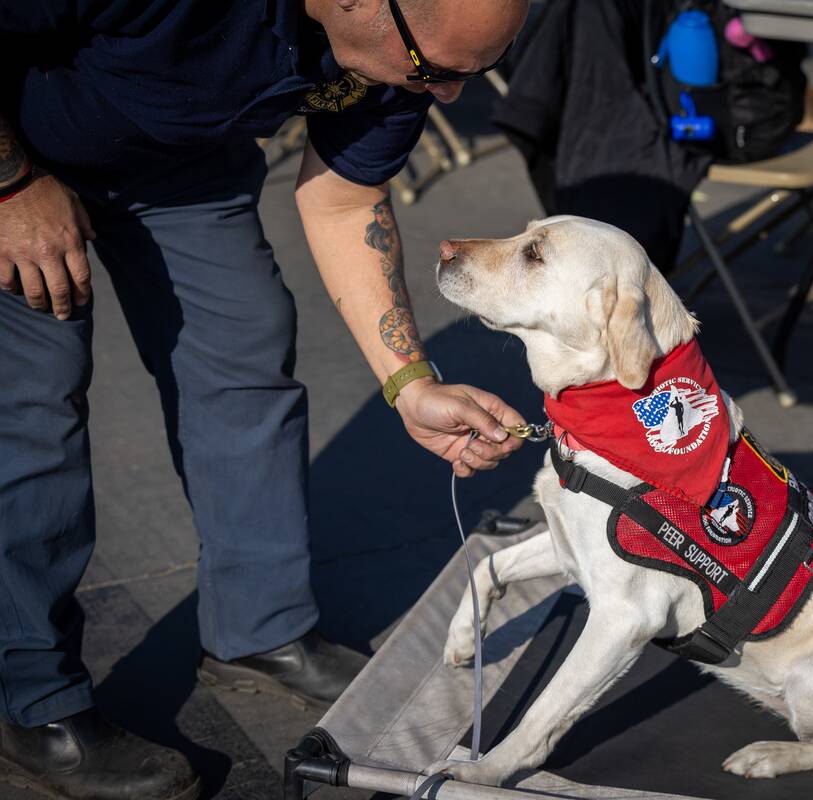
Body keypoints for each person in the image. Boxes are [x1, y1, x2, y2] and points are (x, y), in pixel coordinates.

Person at [0, 0, 530, 797]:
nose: (451, 96)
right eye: (438, 72)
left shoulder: (403, 50)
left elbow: (346, 199)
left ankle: (259, 628)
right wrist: (11, 185)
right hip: (19, 152)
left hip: (174, 156)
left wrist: (412, 385)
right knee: (31, 404)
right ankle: (32, 699)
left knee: (246, 341)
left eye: (474, 73)